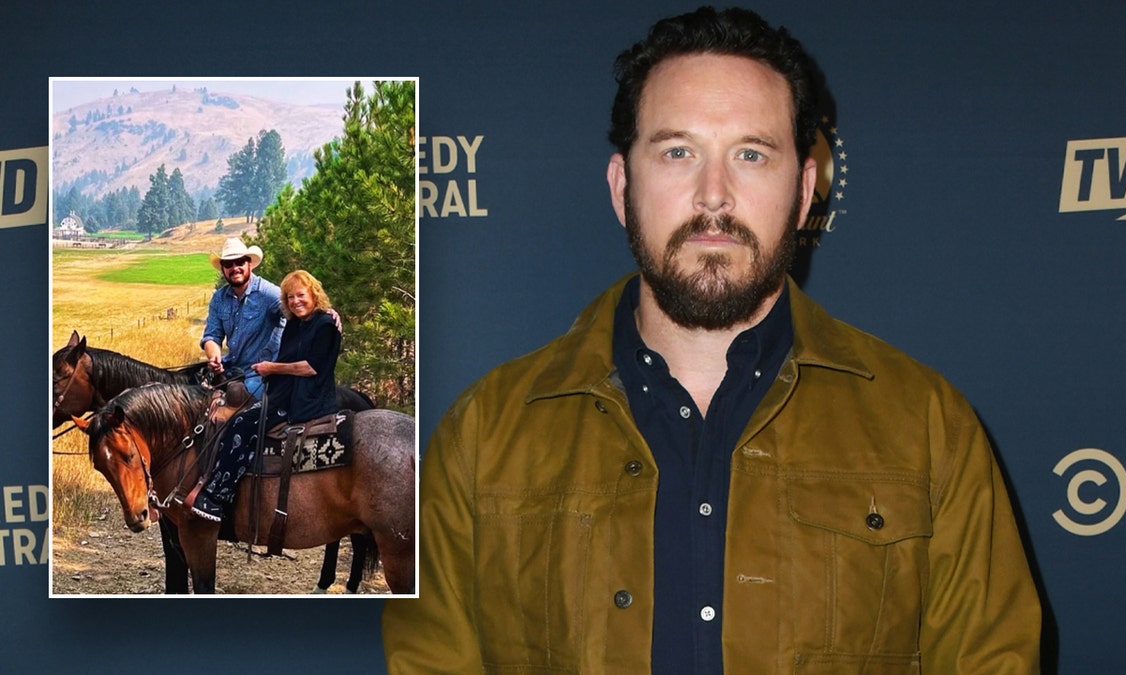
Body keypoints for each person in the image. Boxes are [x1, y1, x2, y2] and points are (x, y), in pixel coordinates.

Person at [383, 6, 1040, 673]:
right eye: (678, 152)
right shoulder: (484, 436)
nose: (714, 195)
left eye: (751, 154)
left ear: (805, 190)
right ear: (621, 187)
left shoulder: (929, 429)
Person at [192, 270, 342, 522]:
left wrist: (271, 368)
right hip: (283, 391)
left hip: (306, 399)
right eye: (291, 297)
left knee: (242, 424)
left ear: (314, 294)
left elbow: (311, 367)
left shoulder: (326, 325)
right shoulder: (294, 324)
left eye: (301, 295)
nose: (296, 301)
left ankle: (220, 494)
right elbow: (213, 334)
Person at [201, 238, 283, 399]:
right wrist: (214, 357)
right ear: (223, 269)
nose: (235, 268)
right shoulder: (219, 298)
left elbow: (298, 308)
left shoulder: (268, 293)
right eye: (228, 264)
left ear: (249, 264)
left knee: (240, 408)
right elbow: (212, 335)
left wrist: (325, 312)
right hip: (233, 369)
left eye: (239, 262)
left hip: (263, 375)